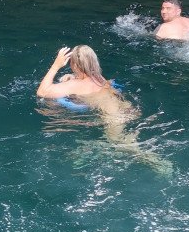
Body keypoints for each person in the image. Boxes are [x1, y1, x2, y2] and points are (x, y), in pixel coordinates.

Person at [37, 45, 172, 174]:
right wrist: (72, 77)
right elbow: (85, 81)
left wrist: (56, 65)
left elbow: (42, 92)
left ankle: (158, 163)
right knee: (120, 138)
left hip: (113, 116)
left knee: (119, 143)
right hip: (127, 107)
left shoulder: (73, 85)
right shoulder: (99, 78)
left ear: (75, 65)